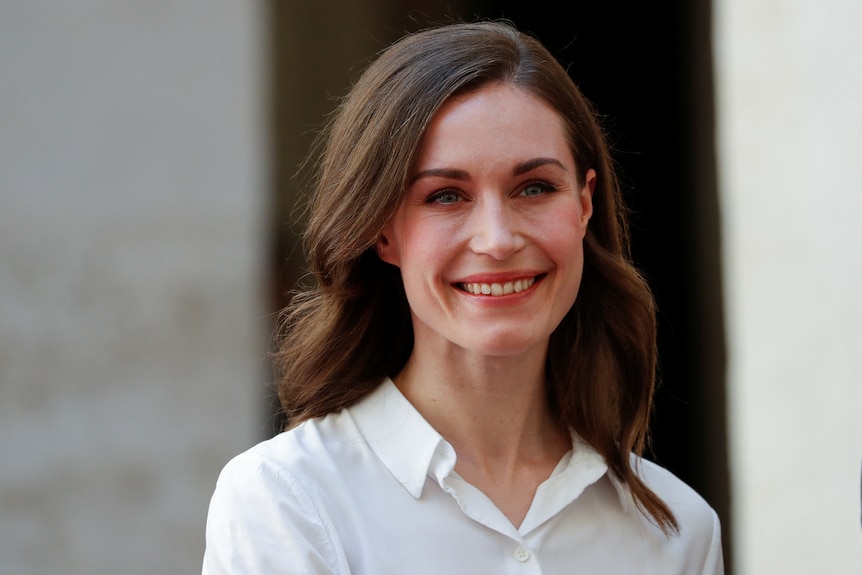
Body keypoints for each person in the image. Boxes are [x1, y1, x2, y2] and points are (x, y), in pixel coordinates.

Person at [202, 21, 724, 574]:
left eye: (534, 188)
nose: (497, 240)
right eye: (446, 195)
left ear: (584, 202)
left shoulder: (678, 532)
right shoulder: (289, 501)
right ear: (382, 229)